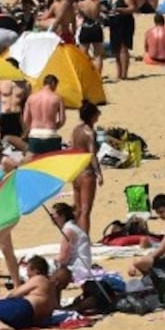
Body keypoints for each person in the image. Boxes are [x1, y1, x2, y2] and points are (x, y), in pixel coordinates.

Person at [69, 101, 104, 236]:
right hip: (86, 172)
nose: (98, 116)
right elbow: (92, 155)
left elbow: (72, 149)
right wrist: (99, 173)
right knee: (85, 210)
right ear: (92, 116)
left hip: (75, 171)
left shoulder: (76, 130)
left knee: (77, 209)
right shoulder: (90, 133)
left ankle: (76, 237)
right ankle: (84, 239)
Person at [0, 59, 29, 150]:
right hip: (4, 115)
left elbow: (27, 104)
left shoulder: (24, 84)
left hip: (18, 116)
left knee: (20, 142)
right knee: (2, 142)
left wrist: (27, 120)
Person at [50, 202, 93, 283]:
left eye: (53, 215)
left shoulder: (68, 231)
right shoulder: (71, 227)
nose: (51, 218)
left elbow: (63, 259)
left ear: (62, 216)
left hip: (78, 270)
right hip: (83, 267)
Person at [23, 74, 65, 155]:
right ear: (53, 83)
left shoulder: (31, 98)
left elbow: (25, 119)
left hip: (34, 133)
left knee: (34, 162)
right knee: (51, 162)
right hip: (50, 133)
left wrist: (31, 128)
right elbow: (62, 120)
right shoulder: (57, 98)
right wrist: (54, 127)